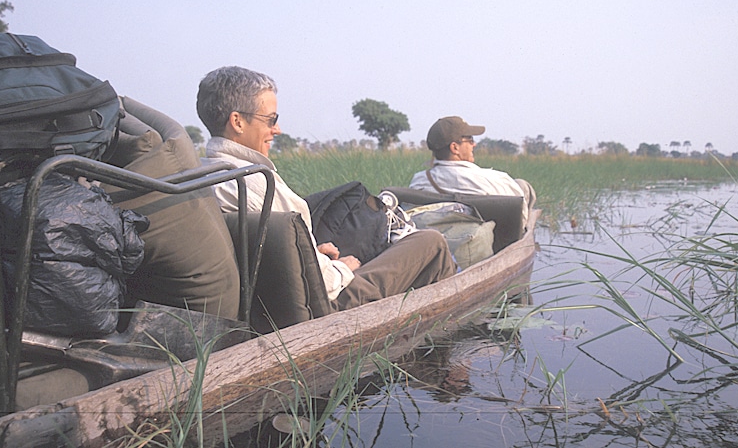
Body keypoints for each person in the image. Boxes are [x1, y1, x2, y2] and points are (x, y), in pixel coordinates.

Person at [196, 66, 456, 311]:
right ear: (238, 122)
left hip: (273, 299)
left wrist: (310, 256)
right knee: (430, 242)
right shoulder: (255, 182)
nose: (277, 129)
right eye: (271, 119)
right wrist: (342, 268)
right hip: (325, 306)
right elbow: (325, 284)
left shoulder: (203, 177)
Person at [409, 116, 535, 228]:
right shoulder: (489, 179)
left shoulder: (419, 180)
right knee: (522, 185)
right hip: (482, 238)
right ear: (455, 148)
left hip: (436, 231)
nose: (474, 145)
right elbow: (519, 211)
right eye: (470, 140)